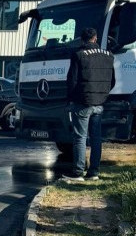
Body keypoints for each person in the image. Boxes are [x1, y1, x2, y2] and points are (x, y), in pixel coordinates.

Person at [61, 27, 116, 182]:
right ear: (95, 38)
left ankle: (78, 173)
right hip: (100, 103)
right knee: (96, 138)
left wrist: (70, 99)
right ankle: (94, 173)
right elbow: (112, 81)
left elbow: (72, 81)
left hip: (82, 103)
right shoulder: (108, 56)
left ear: (82, 39)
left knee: (80, 137)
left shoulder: (78, 55)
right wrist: (102, 95)